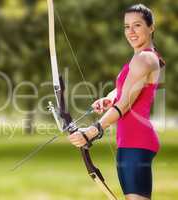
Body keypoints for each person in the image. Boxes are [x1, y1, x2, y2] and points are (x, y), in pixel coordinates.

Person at [68, 4, 165, 200]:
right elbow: (126, 91)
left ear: (151, 27)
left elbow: (124, 104)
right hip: (130, 142)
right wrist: (109, 97)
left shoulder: (145, 58)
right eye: (126, 26)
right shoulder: (139, 58)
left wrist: (92, 131)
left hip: (136, 142)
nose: (131, 32)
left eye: (137, 25)